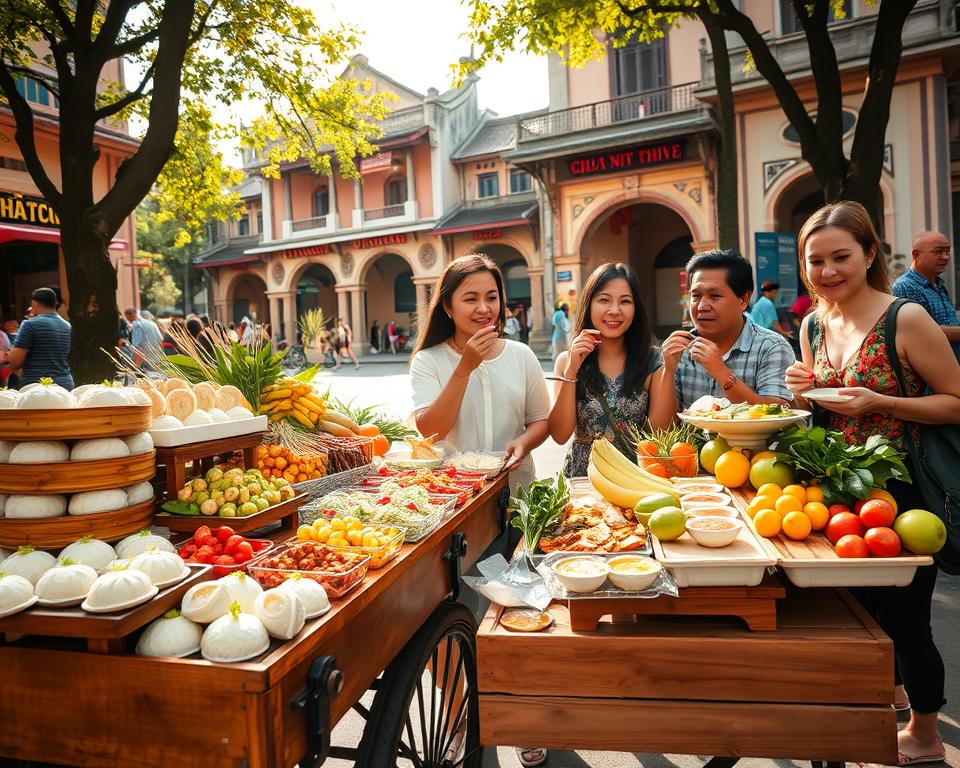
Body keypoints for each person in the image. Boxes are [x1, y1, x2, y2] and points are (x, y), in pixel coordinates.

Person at [786, 201, 960, 767]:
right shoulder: (813, 323)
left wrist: (882, 400)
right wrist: (799, 389)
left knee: (906, 622)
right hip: (838, 493)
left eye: (841, 256)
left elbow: (957, 402)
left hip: (906, 494)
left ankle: (926, 734)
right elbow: (821, 409)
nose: (829, 270)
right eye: (816, 260)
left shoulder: (904, 318)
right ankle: (875, 711)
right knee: (853, 617)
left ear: (869, 255)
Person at [410, 253, 550, 491]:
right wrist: (463, 370)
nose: (484, 309)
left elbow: (541, 420)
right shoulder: (428, 360)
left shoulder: (521, 354)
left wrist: (523, 443)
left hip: (516, 490)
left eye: (492, 298)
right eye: (471, 299)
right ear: (448, 307)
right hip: (454, 493)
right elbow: (431, 431)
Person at [549, 263, 675, 477]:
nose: (614, 310)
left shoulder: (651, 360)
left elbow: (660, 433)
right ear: (589, 304)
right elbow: (560, 434)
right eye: (604, 300)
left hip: (636, 478)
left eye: (625, 301)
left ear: (636, 308)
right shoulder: (567, 361)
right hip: (584, 479)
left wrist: (669, 370)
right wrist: (572, 372)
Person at [660, 250, 795, 411]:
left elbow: (779, 414)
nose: (702, 306)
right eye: (696, 296)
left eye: (715, 296)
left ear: (743, 300)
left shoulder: (771, 347)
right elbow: (664, 429)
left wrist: (720, 372)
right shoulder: (679, 350)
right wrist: (667, 370)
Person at [892, 230, 960, 359]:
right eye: (938, 251)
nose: (945, 257)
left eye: (947, 251)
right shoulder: (905, 286)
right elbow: (919, 332)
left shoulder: (938, 284)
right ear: (916, 254)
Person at [7, 287, 73, 389]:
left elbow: (15, 363)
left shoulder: (30, 325)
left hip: (37, 387)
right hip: (64, 384)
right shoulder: (66, 326)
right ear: (54, 304)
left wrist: (9, 354)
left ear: (34, 304)